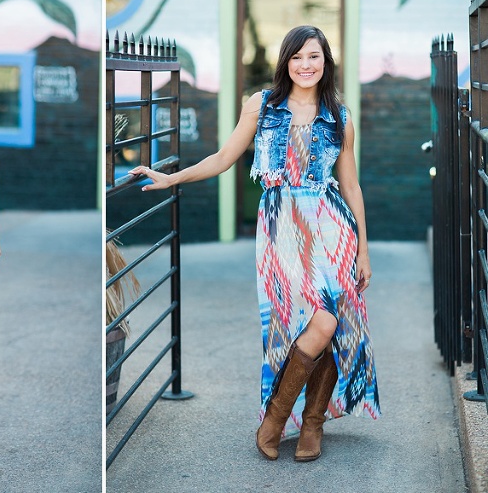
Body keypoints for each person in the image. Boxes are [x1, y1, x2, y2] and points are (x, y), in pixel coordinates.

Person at [130, 25, 380, 462]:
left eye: (314, 56)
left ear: (327, 63)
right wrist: (172, 178)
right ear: (285, 62)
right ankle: (277, 417)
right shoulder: (262, 105)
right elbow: (223, 158)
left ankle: (312, 424)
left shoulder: (340, 117)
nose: (305, 65)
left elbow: (351, 186)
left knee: (335, 323)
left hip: (331, 228)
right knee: (317, 323)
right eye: (297, 57)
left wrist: (362, 248)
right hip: (281, 227)